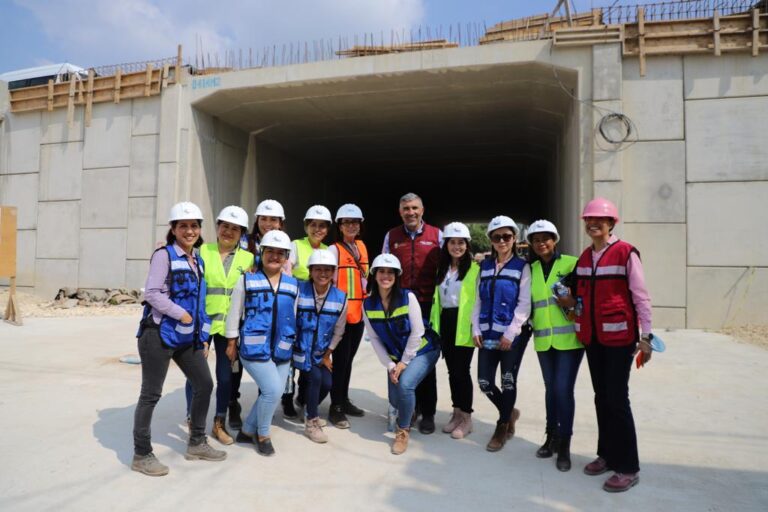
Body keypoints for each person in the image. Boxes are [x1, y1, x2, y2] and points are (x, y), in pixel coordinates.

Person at [132, 202, 226, 476]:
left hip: (187, 336)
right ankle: (141, 454)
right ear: (173, 229)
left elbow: (201, 302)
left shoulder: (197, 259)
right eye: (183, 225)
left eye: (194, 226)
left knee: (204, 384)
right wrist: (180, 313)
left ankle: (197, 442)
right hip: (157, 334)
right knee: (151, 394)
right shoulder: (163, 255)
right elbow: (152, 293)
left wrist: (203, 335)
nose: (189, 230)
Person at [567, 198, 653, 492]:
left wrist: (647, 337)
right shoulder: (584, 257)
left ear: (611, 224)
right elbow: (573, 291)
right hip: (593, 339)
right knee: (601, 397)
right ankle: (607, 454)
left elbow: (641, 296)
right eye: (588, 220)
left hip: (619, 340)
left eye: (599, 220)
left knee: (617, 399)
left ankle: (628, 467)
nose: (593, 224)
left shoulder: (626, 253)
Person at [182, 206, 254, 446]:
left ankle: (218, 423)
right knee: (195, 376)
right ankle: (195, 421)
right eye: (225, 226)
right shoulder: (202, 251)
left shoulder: (248, 258)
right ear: (218, 227)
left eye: (235, 229)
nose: (228, 232)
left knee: (225, 378)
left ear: (241, 232)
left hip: (230, 328)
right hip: (202, 323)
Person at [225, 230, 298, 456]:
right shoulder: (246, 280)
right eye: (270, 251)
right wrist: (231, 342)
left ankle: (247, 431)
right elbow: (234, 313)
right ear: (261, 253)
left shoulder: (293, 284)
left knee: (273, 392)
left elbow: (292, 316)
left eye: (280, 253)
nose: (274, 256)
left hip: (282, 348)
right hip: (254, 348)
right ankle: (263, 434)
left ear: (286, 257)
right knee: (272, 390)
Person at [363, 254, 440, 455]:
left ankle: (403, 431)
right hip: (396, 357)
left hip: (423, 349)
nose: (386, 276)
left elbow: (418, 333)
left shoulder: (408, 297)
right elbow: (375, 340)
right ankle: (410, 409)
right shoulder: (367, 304)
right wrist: (390, 365)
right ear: (374, 274)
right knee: (396, 399)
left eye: (390, 272)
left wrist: (404, 362)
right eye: (381, 271)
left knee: (405, 385)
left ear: (397, 276)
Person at [382, 192, 442, 434]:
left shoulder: (437, 235)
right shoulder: (391, 236)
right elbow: (384, 267)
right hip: (401, 305)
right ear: (400, 212)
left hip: (428, 304)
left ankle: (428, 413)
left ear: (422, 209)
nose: (411, 212)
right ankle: (410, 407)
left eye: (415, 207)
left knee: (425, 359)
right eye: (406, 208)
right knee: (401, 356)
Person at [526, 219, 583, 471]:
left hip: (569, 340)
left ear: (555, 240)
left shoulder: (572, 263)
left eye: (545, 238)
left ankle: (565, 445)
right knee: (551, 390)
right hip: (543, 340)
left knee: (562, 389)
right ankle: (551, 437)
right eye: (536, 240)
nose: (541, 243)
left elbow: (584, 300)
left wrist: (571, 302)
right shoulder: (531, 269)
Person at [471, 215, 532, 452]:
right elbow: (478, 300)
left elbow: (524, 303)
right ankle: (510, 411)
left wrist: (511, 333)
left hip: (510, 337)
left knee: (507, 381)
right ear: (491, 241)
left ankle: (502, 425)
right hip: (487, 333)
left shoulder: (522, 267)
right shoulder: (483, 267)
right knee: (485, 382)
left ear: (514, 238)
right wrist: (475, 328)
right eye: (497, 237)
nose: (502, 241)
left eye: (506, 236)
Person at [227, 198, 286, 430]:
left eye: (273, 219)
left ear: (281, 222)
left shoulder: (284, 244)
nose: (268, 223)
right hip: (247, 308)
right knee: (236, 368)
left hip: (273, 314)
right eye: (264, 219)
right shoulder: (244, 243)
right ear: (257, 220)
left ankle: (267, 407)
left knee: (271, 365)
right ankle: (233, 404)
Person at [429, 222, 479, 439]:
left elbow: (478, 301)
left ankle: (466, 417)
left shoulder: (476, 269)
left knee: (462, 371)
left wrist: (476, 327)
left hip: (464, 323)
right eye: (453, 242)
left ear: (467, 245)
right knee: (451, 371)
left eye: (461, 242)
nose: (457, 246)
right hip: (445, 322)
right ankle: (456, 412)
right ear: (446, 245)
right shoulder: (441, 270)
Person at [282, 205, 333, 419]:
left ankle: (303, 398)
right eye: (313, 225)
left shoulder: (328, 250)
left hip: (318, 312)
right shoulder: (296, 245)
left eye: (322, 226)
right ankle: (287, 399)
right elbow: (287, 270)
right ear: (306, 226)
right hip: (296, 307)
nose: (317, 229)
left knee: (311, 357)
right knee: (291, 360)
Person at [293, 249, 348, 443]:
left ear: (333, 272)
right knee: (315, 378)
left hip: (319, 352)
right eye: (318, 269)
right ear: (310, 271)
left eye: (327, 269)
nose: (322, 273)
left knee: (327, 383)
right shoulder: (299, 290)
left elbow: (339, 330)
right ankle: (311, 422)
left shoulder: (341, 297)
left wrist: (328, 353)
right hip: (298, 349)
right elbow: (290, 319)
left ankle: (304, 404)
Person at [327, 203, 369, 428]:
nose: (351, 226)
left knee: (349, 361)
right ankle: (336, 407)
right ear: (340, 226)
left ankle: (343, 399)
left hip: (358, 315)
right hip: (341, 316)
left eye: (355, 222)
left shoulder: (362, 247)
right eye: (347, 223)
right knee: (340, 362)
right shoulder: (334, 250)